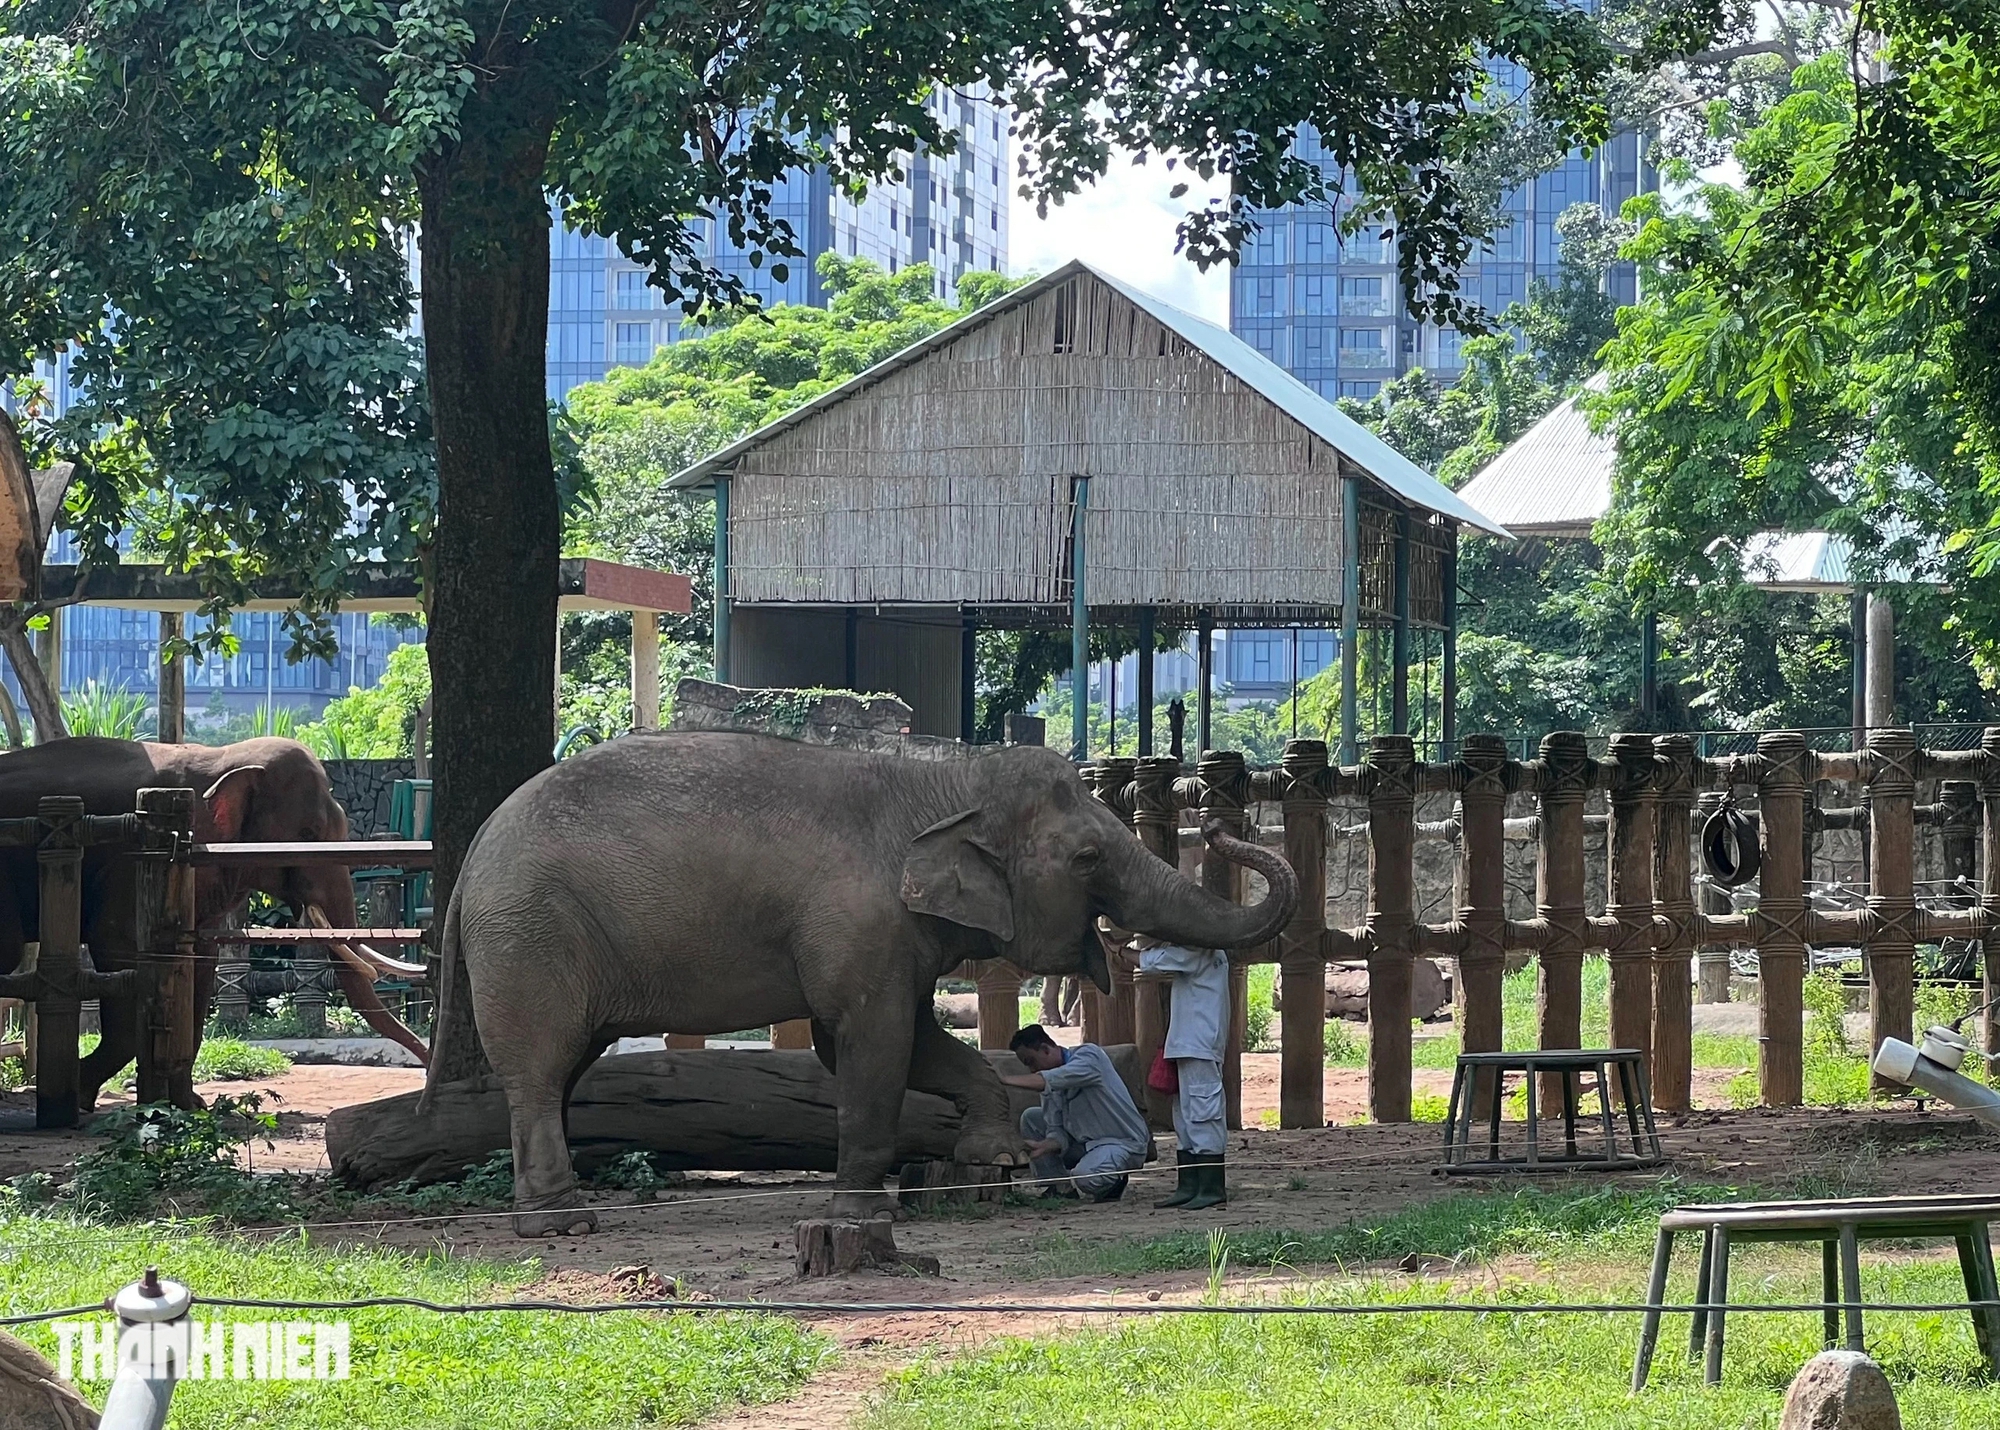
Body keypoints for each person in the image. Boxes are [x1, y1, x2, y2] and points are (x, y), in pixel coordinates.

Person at [999, 1024, 1151, 1202]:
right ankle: (1059, 1187)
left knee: (1086, 1177)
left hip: (1121, 1142)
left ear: (1045, 1049)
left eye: (1031, 1062)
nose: (1032, 1070)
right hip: (1083, 1144)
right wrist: (1044, 1146)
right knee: (1032, 1117)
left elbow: (1050, 1080)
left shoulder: (1089, 1056)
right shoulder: (1050, 1084)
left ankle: (1112, 1179)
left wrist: (1003, 1080)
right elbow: (1057, 1131)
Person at [1135, 935, 1229, 1209]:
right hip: (1187, 1044)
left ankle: (1211, 1187)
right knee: (1184, 1116)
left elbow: (1152, 962)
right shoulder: (1195, 948)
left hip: (1199, 1044)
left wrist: (1118, 951)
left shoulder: (1201, 947)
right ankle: (1189, 1185)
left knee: (1203, 1114)